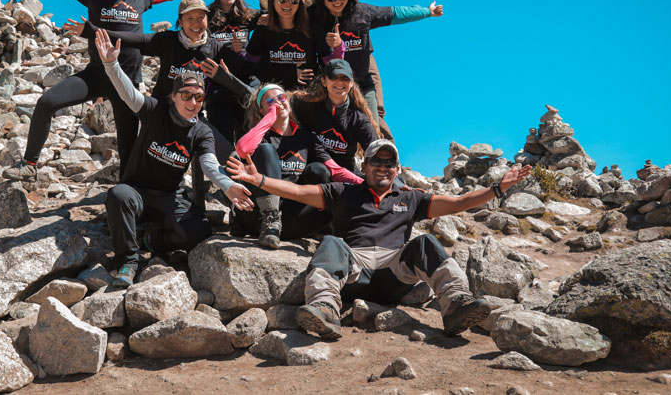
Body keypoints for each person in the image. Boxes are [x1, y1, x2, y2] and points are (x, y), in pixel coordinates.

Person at [227, 139, 533, 339]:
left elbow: (457, 204)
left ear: (397, 169)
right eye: (377, 161)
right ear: (364, 167)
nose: (383, 167)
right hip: (354, 269)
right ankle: (325, 310)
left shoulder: (410, 198)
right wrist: (260, 180)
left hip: (393, 271)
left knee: (426, 243)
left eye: (389, 163)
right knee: (331, 243)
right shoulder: (343, 192)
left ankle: (456, 306)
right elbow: (297, 192)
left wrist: (497, 189)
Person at [0, 0, 198, 180]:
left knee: (128, 147)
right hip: (97, 74)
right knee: (46, 102)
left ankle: (129, 197)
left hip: (127, 81)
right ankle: (29, 164)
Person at [95, 28, 253, 287]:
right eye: (187, 95)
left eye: (199, 97)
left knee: (200, 232)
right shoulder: (154, 110)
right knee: (118, 195)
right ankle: (128, 261)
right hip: (137, 192)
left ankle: (152, 241)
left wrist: (228, 186)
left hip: (170, 197)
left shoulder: (201, 131)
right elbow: (128, 94)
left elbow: (210, 165)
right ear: (174, 95)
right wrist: (111, 64)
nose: (193, 102)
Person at [232, 83, 365, 248]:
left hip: (294, 220)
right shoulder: (260, 137)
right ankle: (271, 220)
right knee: (265, 150)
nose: (278, 103)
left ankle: (325, 228)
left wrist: (368, 185)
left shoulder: (305, 137)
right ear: (261, 110)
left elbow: (335, 170)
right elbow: (243, 149)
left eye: (281, 98)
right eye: (270, 102)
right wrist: (269, 118)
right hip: (260, 220)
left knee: (319, 170)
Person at [309, 0, 443, 125]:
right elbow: (328, 63)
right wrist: (337, 47)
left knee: (373, 127)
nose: (338, 1)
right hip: (334, 89)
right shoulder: (317, 22)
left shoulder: (363, 12)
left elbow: (395, 14)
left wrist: (427, 12)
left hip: (363, 84)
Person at [244, 0, 341, 90]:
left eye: (294, 0)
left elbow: (330, 64)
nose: (288, 4)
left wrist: (339, 46)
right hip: (273, 94)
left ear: (300, 4)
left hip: (307, 95)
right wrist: (289, 74)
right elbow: (250, 65)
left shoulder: (313, 28)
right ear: (272, 1)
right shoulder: (263, 28)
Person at [290, 59, 378, 173]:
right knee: (317, 170)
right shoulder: (307, 106)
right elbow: (281, 101)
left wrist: (396, 183)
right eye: (334, 77)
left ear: (351, 83)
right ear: (324, 81)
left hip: (345, 175)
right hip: (313, 173)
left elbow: (377, 152)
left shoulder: (359, 120)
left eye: (344, 78)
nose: (340, 82)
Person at [205, 0, 261, 143]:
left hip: (245, 86)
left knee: (247, 142)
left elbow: (276, 12)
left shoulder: (249, 16)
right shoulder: (206, 17)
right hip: (218, 87)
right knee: (223, 142)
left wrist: (241, 52)